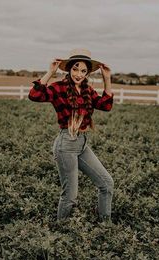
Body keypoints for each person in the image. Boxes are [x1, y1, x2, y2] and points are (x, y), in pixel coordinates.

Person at [28, 49, 114, 222]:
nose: (79, 74)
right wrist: (51, 72)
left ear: (87, 73)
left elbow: (105, 105)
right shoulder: (59, 87)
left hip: (82, 143)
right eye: (75, 69)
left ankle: (106, 227)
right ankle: (61, 230)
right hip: (66, 143)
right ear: (68, 70)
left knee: (106, 184)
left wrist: (107, 78)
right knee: (70, 196)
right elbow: (35, 95)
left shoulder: (86, 90)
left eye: (83, 71)